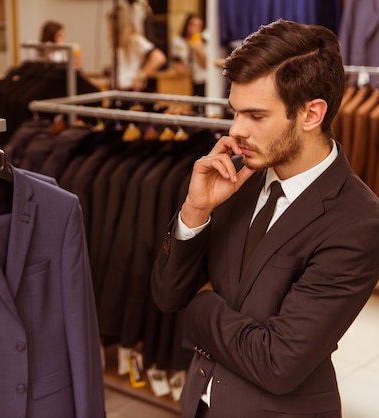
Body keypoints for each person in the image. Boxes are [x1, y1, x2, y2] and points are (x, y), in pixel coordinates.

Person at [151, 19, 379, 418]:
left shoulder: (357, 222)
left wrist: (201, 303)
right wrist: (196, 210)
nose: (236, 130)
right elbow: (169, 295)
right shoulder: (233, 177)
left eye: (255, 116)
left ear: (311, 114)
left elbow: (278, 363)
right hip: (199, 403)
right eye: (235, 112)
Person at [107, 1, 167, 92]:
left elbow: (159, 58)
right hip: (117, 89)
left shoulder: (134, 40)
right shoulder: (118, 44)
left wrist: (141, 75)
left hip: (129, 90)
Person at [172, 13, 207, 99]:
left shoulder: (204, 42)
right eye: (193, 25)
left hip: (200, 79)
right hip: (184, 79)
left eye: (199, 26)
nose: (196, 29)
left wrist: (198, 50)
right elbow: (176, 59)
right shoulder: (178, 41)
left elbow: (204, 64)